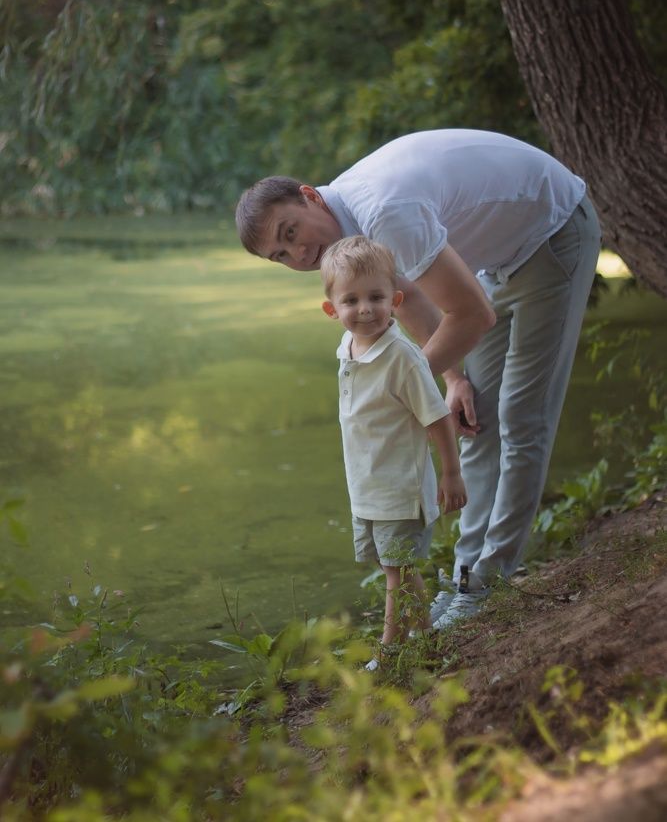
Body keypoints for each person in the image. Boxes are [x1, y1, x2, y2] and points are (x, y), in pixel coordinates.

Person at [235, 129, 602, 627]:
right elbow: (409, 300)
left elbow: (472, 315)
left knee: (521, 416)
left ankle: (484, 585)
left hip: (553, 232)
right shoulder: (354, 235)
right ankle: (464, 578)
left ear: (309, 197)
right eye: (280, 256)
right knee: (476, 418)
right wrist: (451, 379)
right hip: (493, 262)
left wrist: (400, 385)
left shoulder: (384, 211)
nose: (297, 256)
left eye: (290, 233)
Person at [319, 236, 466, 667]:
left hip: (399, 488)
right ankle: (425, 641)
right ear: (332, 309)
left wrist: (451, 473)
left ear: (396, 300)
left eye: (376, 297)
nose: (364, 308)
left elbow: (437, 417)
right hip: (368, 486)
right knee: (396, 570)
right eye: (351, 300)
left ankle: (390, 650)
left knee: (397, 571)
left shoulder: (403, 358)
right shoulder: (348, 349)